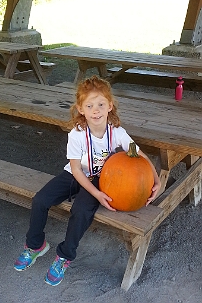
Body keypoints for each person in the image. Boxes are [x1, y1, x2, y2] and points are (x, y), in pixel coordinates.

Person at [14, 75, 161, 286]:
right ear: (81, 109)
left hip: (103, 180)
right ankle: (35, 245)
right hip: (75, 175)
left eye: (101, 104)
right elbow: (75, 169)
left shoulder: (117, 133)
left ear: (110, 106)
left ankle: (64, 256)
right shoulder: (77, 134)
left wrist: (156, 180)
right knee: (40, 200)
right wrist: (96, 195)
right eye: (90, 105)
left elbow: (139, 155)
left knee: (81, 212)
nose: (96, 110)